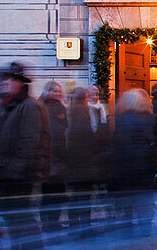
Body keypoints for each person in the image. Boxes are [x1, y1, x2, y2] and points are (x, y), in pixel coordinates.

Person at [0, 61, 50, 250]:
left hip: (20, 175)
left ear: (19, 83)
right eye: (4, 79)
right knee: (13, 218)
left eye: (10, 79)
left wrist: (14, 171)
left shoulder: (29, 106)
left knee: (22, 219)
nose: (5, 83)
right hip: (6, 174)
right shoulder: (7, 106)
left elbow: (28, 142)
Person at [110, 88, 157, 234]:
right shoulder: (152, 118)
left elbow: (117, 141)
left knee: (127, 197)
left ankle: (128, 229)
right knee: (145, 197)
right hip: (146, 163)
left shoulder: (121, 118)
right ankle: (145, 227)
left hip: (125, 164)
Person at [64, 87, 107, 236]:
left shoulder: (72, 110)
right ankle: (83, 227)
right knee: (83, 196)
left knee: (77, 195)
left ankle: (75, 225)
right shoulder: (82, 111)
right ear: (84, 98)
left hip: (74, 160)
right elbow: (86, 135)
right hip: (82, 160)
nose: (91, 98)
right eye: (89, 96)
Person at [39, 81, 68, 234]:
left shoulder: (62, 108)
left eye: (58, 91)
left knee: (58, 193)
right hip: (47, 155)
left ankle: (54, 221)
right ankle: (46, 222)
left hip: (60, 155)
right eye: (53, 91)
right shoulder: (41, 106)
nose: (56, 94)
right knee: (47, 193)